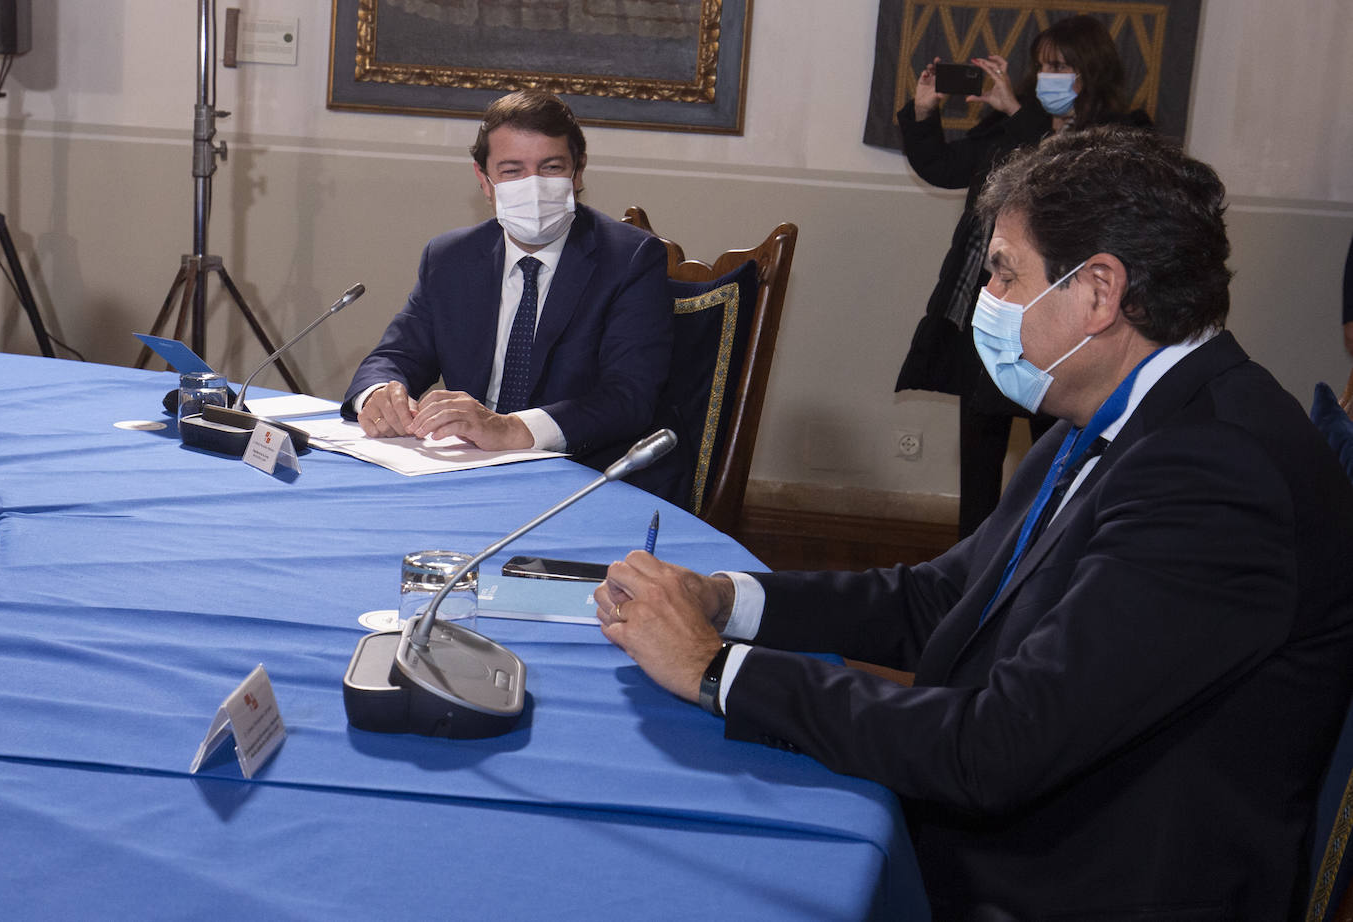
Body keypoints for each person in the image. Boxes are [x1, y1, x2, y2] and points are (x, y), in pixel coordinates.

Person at [593, 127, 1353, 919]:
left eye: (1003, 272)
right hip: (1025, 833)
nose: (986, 301)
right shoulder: (1119, 411)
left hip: (1071, 882)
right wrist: (731, 601)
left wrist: (715, 669)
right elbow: (939, 602)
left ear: (1098, 292)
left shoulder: (1217, 478)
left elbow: (996, 748)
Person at [895, 15, 1151, 538]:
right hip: (991, 305)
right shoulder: (1018, 124)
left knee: (1053, 453)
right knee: (979, 447)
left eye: (1058, 66)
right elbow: (945, 166)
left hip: (1064, 322)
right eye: (1042, 66)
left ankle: (1040, 558)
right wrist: (924, 112)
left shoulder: (1126, 133)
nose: (1046, 76)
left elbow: (1082, 192)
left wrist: (1018, 113)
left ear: (1090, 69)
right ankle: (968, 565)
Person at [344, 89, 674, 480]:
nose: (532, 187)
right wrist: (380, 393)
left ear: (578, 171)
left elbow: (627, 397)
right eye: (512, 171)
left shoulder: (631, 259)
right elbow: (395, 357)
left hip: (579, 472)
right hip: (463, 468)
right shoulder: (450, 257)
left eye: (551, 168)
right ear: (484, 180)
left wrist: (513, 429)